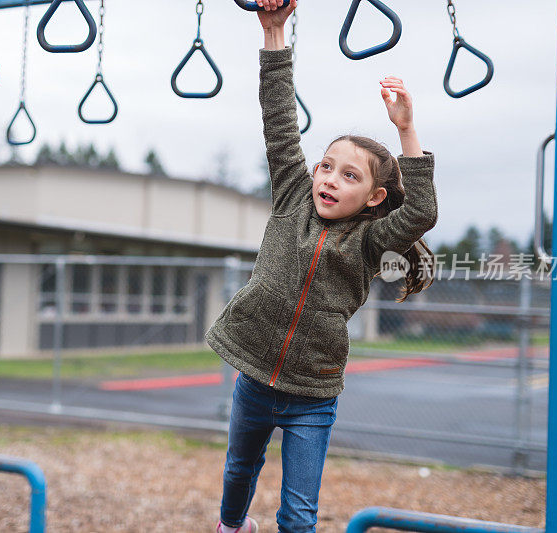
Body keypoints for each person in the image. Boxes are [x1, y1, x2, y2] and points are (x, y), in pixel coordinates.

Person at [204, 0, 439, 531]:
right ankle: (233, 527)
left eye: (349, 176)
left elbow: (423, 210)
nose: (330, 179)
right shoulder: (292, 197)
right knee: (239, 469)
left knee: (300, 511)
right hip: (256, 378)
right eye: (326, 167)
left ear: (376, 196)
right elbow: (279, 119)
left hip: (313, 392)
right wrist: (273, 32)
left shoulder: (372, 240)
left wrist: (407, 131)